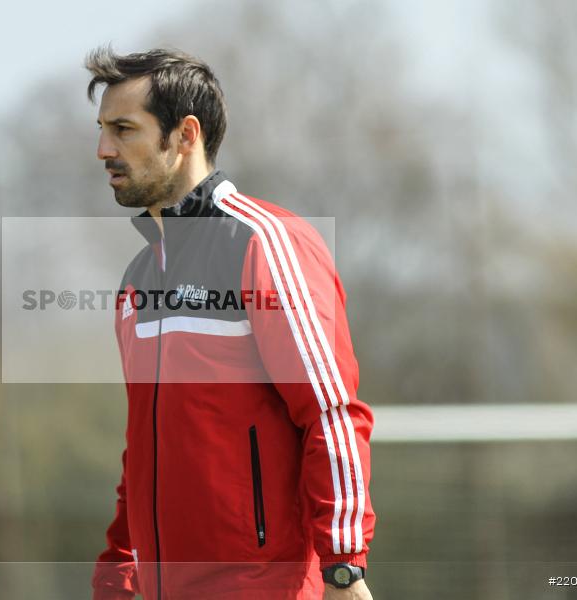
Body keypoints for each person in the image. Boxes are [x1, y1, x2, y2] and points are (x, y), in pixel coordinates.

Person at [86, 46, 375, 600]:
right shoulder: (137, 279)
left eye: (123, 130)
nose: (103, 149)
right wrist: (118, 572)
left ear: (185, 135)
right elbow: (144, 449)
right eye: (102, 130)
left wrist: (343, 564)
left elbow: (330, 412)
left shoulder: (264, 242)